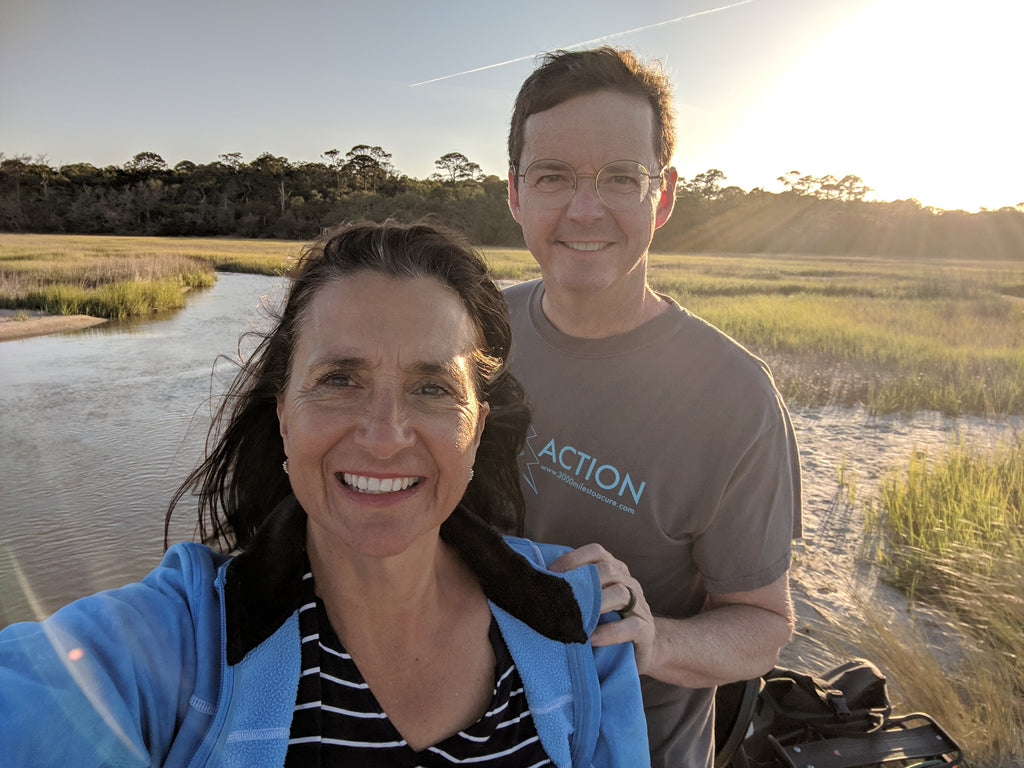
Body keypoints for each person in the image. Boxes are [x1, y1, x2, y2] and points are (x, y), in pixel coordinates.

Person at [0, 220, 651, 767]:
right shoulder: (180, 645)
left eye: (432, 388)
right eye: (340, 379)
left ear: (477, 429)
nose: (385, 437)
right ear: (283, 413)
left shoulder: (574, 628)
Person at [504, 47, 803, 767]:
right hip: (475, 729)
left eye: (619, 178)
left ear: (662, 196)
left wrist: (654, 638)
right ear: (515, 192)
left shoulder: (735, 397)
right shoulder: (478, 330)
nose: (584, 208)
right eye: (553, 177)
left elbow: (763, 626)